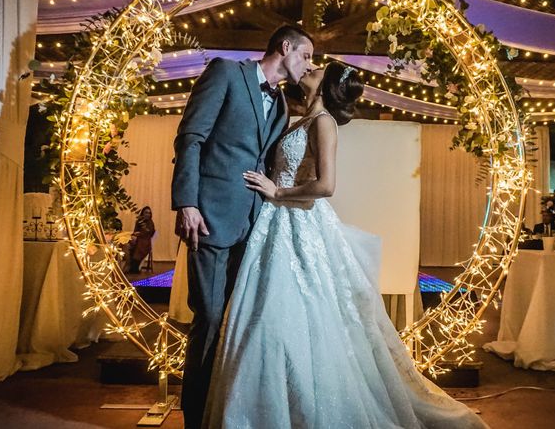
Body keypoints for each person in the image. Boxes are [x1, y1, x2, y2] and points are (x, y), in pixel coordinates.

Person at [203, 63, 488, 428]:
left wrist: (278, 191)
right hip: (274, 225)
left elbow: (326, 185)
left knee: (293, 316)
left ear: (326, 84)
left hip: (297, 222)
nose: (309, 67)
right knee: (269, 318)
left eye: (318, 67)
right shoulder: (298, 118)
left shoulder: (323, 123)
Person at [171, 24, 314, 429]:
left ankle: (222, 412)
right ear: (284, 47)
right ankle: (195, 417)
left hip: (254, 227)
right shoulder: (226, 73)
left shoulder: (284, 106)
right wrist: (187, 201)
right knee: (211, 317)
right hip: (210, 217)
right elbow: (191, 138)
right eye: (305, 55)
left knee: (238, 324)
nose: (308, 64)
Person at [128, 206, 155, 273]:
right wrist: (135, 235)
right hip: (138, 239)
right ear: (142, 213)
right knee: (129, 244)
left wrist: (139, 234)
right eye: (146, 213)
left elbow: (149, 233)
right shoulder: (139, 221)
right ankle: (131, 265)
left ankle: (134, 267)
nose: (147, 214)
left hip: (146, 242)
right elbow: (135, 231)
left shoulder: (150, 222)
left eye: (149, 213)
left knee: (140, 244)